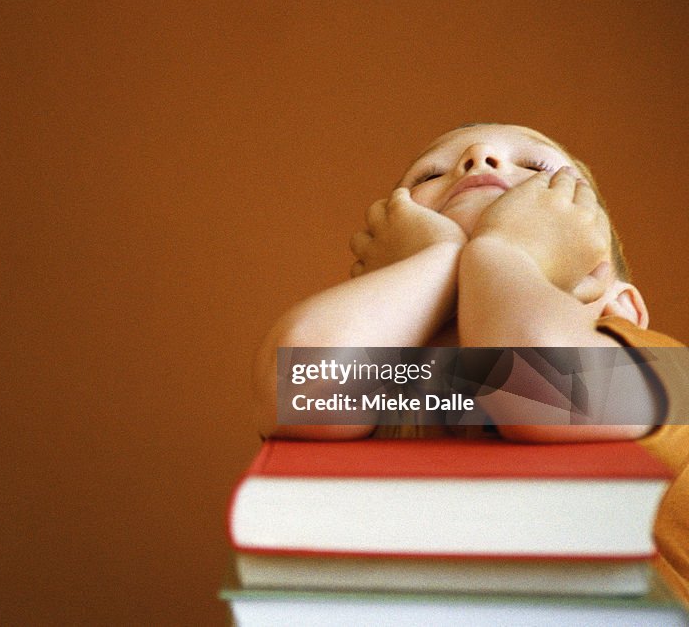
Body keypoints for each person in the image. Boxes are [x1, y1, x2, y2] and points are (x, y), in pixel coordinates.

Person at [251, 123, 689, 602]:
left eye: (537, 168)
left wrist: (503, 250)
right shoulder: (386, 389)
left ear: (621, 307)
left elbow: (536, 380)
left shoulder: (665, 375)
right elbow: (301, 383)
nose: (479, 157)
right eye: (429, 175)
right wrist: (438, 258)